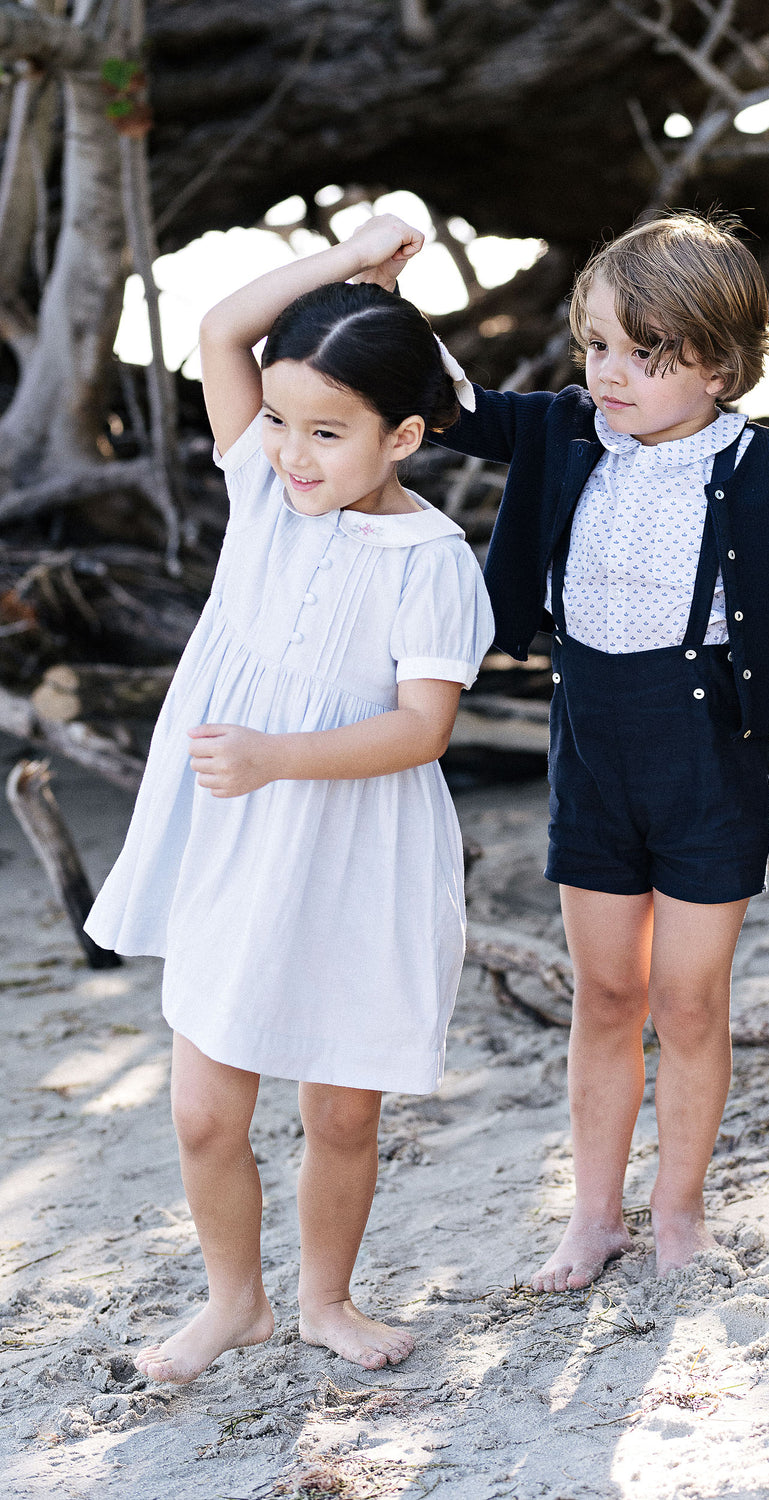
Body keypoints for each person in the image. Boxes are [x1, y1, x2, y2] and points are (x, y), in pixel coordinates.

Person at [426, 209, 769, 1290]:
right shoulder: (567, 429)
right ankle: (593, 1216)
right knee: (605, 996)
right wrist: (370, 284)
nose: (610, 375)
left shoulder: (763, 465)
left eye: (644, 354)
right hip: (590, 744)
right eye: (594, 346)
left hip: (707, 755)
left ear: (719, 367)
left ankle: (678, 1212)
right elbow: (445, 406)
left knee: (685, 1001)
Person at [84, 215, 494, 1378]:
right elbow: (220, 328)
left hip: (354, 846)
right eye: (276, 420)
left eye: (326, 432)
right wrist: (347, 263)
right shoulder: (262, 494)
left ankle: (325, 1299)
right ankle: (234, 1300)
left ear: (404, 434)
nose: (292, 452)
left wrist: (278, 756)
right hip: (232, 839)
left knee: (341, 1112)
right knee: (206, 1110)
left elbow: (422, 728)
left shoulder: (430, 562)